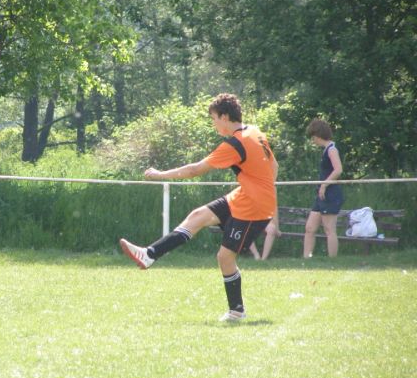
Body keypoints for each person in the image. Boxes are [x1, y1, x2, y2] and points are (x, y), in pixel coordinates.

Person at [119, 93, 278, 322]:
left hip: (254, 206)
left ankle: (236, 311)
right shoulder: (255, 132)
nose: (214, 124)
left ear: (225, 117)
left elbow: (195, 170)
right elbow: (274, 166)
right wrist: (262, 188)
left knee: (225, 257)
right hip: (246, 197)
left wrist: (159, 174)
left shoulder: (235, 144)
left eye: (214, 119)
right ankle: (148, 255)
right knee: (198, 215)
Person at [303, 118, 344, 258]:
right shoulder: (326, 149)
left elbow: (338, 170)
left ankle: (332, 260)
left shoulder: (332, 149)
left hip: (330, 194)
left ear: (318, 135)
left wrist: (324, 185)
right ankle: (306, 259)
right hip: (321, 195)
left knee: (329, 229)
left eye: (313, 137)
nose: (313, 140)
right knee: (310, 228)